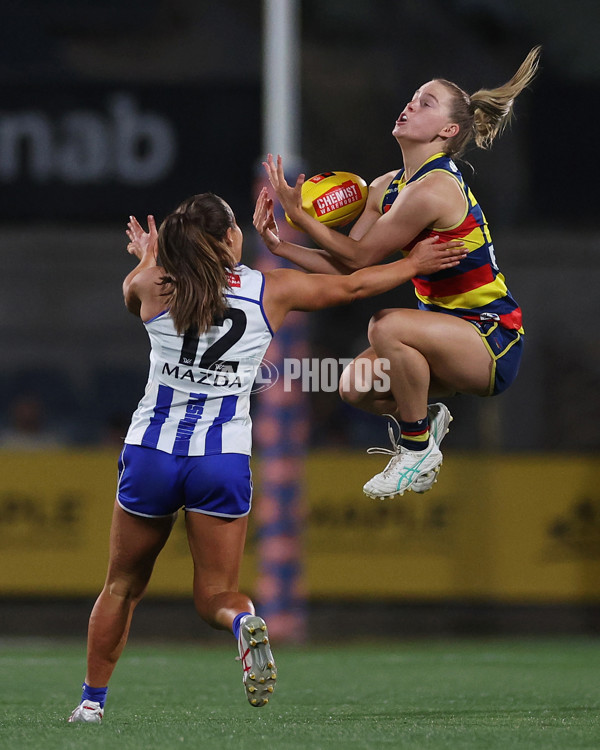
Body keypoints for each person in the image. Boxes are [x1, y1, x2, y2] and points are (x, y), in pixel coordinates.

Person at [68, 193, 466, 723]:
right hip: (221, 461)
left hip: (151, 453)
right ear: (232, 237)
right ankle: (242, 623)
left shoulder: (149, 285)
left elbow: (139, 287)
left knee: (121, 586)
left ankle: (91, 705)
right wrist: (413, 264)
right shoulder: (269, 290)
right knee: (216, 596)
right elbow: (352, 285)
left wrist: (147, 256)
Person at [259, 46, 541, 500]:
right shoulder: (384, 187)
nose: (411, 104)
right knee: (353, 386)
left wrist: (303, 216)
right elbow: (349, 266)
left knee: (385, 325)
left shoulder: (435, 188)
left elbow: (355, 256)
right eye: (413, 97)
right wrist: (282, 245)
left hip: (490, 339)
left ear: (448, 131)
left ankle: (416, 449)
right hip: (443, 335)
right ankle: (425, 423)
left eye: (425, 102)